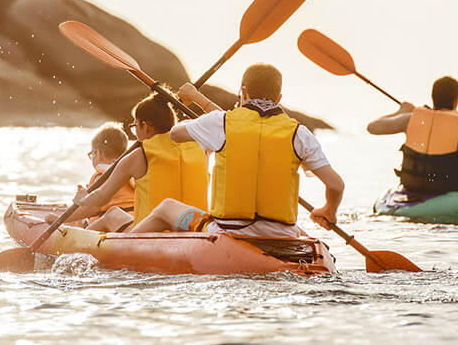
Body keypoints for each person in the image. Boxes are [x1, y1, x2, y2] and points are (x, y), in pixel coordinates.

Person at [129, 63, 345, 237]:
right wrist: (328, 211)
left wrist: (200, 111)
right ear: (279, 99)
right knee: (298, 231)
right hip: (281, 234)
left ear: (242, 92)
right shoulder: (300, 133)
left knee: (166, 207)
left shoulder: (222, 122)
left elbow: (175, 134)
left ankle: (124, 245)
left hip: (227, 232)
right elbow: (336, 185)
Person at [60, 93, 209, 232]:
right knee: (114, 213)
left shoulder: (139, 155)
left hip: (149, 234)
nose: (136, 133)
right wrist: (197, 96)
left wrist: (82, 199)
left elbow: (101, 197)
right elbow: (221, 122)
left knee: (112, 214)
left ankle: (74, 242)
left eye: (135, 126)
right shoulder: (201, 146)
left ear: (146, 126)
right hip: (195, 231)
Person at [365, 76, 458, 194]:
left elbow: (372, 127)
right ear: (456, 100)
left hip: (412, 187)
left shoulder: (410, 120)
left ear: (433, 98)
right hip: (444, 191)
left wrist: (401, 112)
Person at [71, 122, 135, 228]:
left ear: (98, 153)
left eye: (92, 155)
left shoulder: (100, 177)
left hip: (110, 225)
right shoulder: (130, 173)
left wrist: (79, 202)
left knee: (78, 222)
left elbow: (89, 209)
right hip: (132, 219)